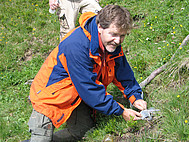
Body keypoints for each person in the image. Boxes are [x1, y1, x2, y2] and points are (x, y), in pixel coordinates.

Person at [26, 5, 147, 142]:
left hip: (76, 93)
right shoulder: (76, 46)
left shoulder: (111, 45)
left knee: (82, 131)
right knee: (41, 140)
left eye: (122, 36)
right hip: (50, 97)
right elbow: (89, 89)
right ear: (100, 27)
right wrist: (121, 111)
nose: (118, 40)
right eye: (114, 34)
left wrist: (135, 97)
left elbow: (123, 74)